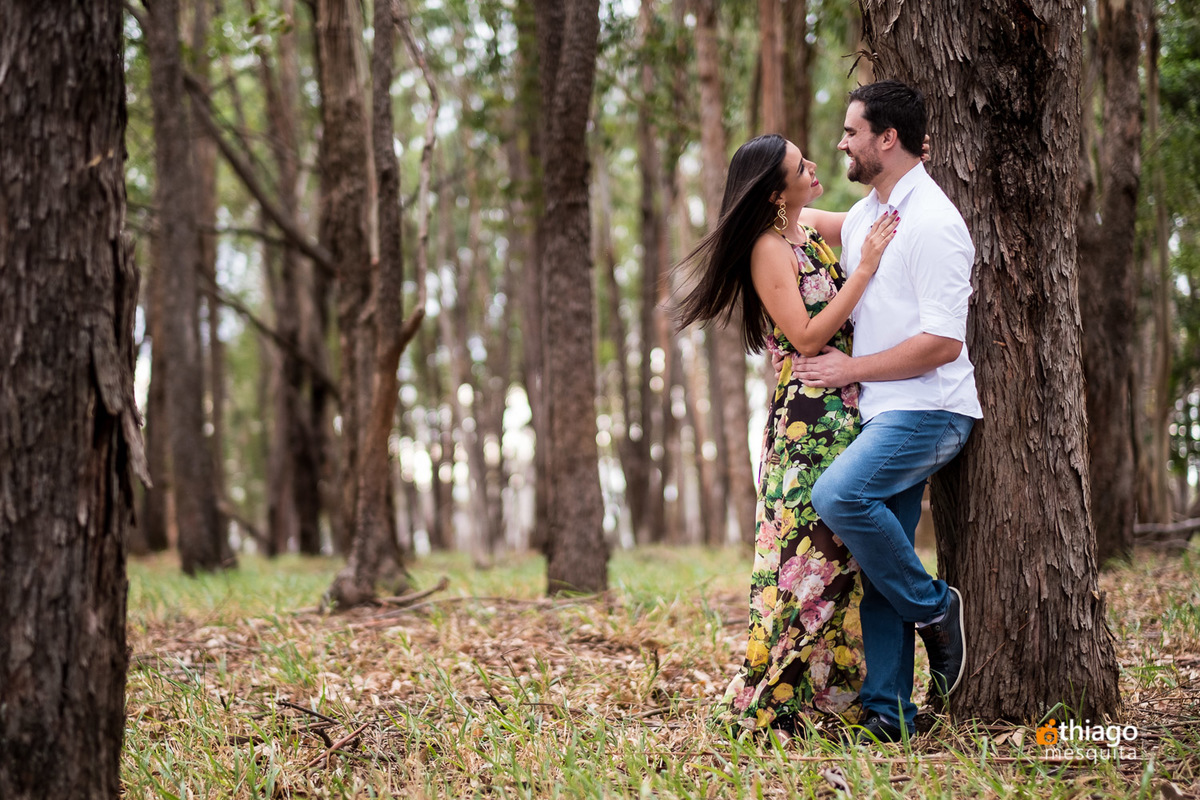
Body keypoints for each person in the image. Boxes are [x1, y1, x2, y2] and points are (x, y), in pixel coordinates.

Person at [674, 133, 900, 736]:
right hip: (807, 421)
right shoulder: (768, 248)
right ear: (777, 193)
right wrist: (867, 270)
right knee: (808, 562)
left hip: (846, 407)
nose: (816, 166)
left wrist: (908, 166)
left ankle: (827, 699)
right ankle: (775, 698)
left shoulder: (807, 227)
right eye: (803, 166)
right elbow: (803, 336)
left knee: (843, 560)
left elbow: (864, 217)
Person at [789, 80, 983, 744]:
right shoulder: (874, 213)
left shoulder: (934, 223)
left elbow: (942, 343)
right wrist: (759, 207)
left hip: (930, 411)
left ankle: (935, 609)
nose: (841, 142)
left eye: (850, 132)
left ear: (886, 139)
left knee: (837, 495)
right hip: (885, 412)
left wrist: (850, 369)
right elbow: (809, 223)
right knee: (879, 566)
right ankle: (889, 712)